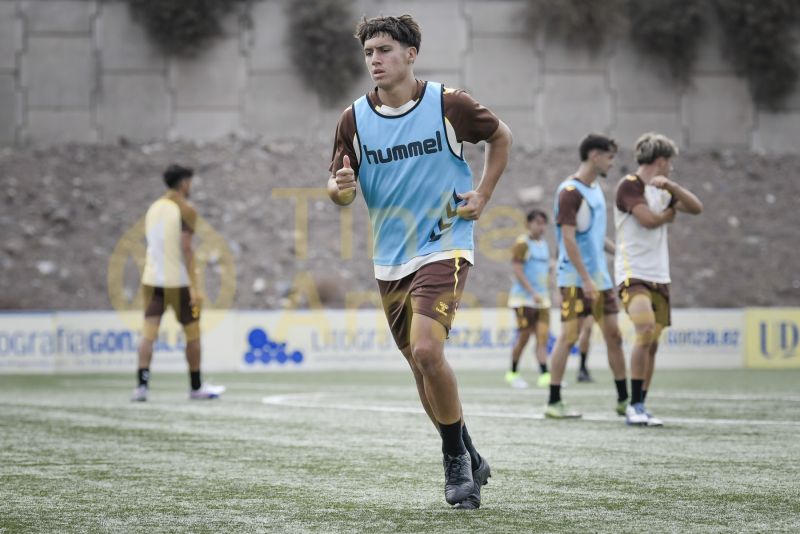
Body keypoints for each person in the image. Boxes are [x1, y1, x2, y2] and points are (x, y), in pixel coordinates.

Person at [327, 14, 512, 509]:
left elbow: (501, 137)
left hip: (445, 243)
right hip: (389, 260)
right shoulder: (353, 120)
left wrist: (484, 195)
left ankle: (454, 466)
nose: (375, 60)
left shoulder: (448, 104)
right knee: (419, 366)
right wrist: (340, 191)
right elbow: (338, 188)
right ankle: (469, 453)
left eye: (385, 50)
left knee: (429, 352)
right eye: (369, 53)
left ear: (411, 54)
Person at [614, 132, 702, 426]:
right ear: (661, 160)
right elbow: (649, 220)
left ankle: (641, 404)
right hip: (633, 273)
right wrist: (668, 214)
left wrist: (673, 188)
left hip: (659, 275)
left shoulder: (664, 190)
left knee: (652, 342)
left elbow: (696, 208)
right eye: (670, 164)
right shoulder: (629, 185)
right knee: (645, 328)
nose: (671, 168)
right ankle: (632, 405)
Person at [546, 134, 629, 419]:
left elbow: (593, 235)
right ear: (595, 155)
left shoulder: (595, 189)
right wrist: (585, 279)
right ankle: (554, 402)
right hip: (575, 279)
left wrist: (617, 251)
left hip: (599, 278)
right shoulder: (569, 191)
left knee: (614, 336)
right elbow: (568, 240)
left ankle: (624, 400)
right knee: (569, 337)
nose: (612, 162)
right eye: (609, 156)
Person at [131, 164, 224, 402]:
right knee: (192, 333)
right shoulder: (186, 209)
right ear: (184, 183)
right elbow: (185, 247)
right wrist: (195, 287)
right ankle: (195, 386)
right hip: (179, 283)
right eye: (190, 182)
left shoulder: (153, 208)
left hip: (152, 280)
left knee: (148, 332)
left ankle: (141, 387)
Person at [506, 209, 552, 389]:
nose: (541, 227)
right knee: (524, 337)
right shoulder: (522, 243)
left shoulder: (544, 245)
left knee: (542, 337)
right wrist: (532, 291)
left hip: (542, 300)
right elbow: (517, 269)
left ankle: (545, 375)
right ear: (528, 224)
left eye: (543, 223)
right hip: (524, 299)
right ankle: (513, 373)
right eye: (537, 223)